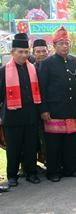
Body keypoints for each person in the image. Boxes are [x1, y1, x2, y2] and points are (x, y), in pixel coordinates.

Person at [39, 26, 76, 182]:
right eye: (61, 43)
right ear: (54, 46)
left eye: (67, 43)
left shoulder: (75, 62)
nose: (64, 46)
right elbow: (42, 87)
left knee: (70, 141)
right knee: (54, 143)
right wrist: (44, 109)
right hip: (54, 109)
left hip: (71, 108)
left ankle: (70, 168)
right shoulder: (47, 63)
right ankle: (54, 171)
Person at [0, 37, 41, 186]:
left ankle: (31, 172)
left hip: (30, 114)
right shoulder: (4, 71)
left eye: (26, 52)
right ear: (12, 52)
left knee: (31, 146)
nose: (24, 55)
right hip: (12, 115)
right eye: (20, 52)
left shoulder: (32, 69)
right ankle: (12, 175)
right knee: (13, 148)